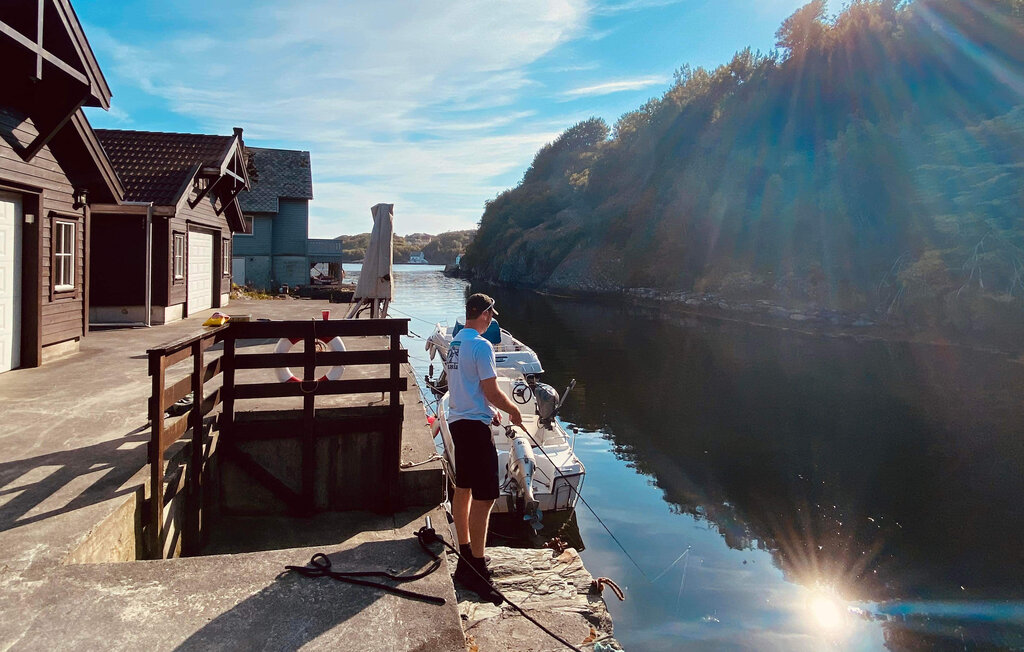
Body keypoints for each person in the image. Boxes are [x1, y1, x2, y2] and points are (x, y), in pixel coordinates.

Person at [445, 292, 523, 603]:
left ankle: (465, 554)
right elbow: (491, 390)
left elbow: (464, 386)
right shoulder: (481, 345)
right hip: (475, 431)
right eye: (491, 314)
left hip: (457, 423)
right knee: (486, 496)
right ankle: (476, 567)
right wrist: (513, 412)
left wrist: (485, 408)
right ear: (485, 314)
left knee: (462, 487)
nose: (491, 319)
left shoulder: (455, 344)